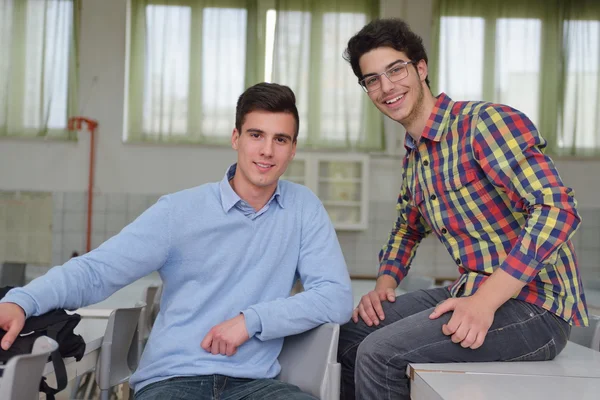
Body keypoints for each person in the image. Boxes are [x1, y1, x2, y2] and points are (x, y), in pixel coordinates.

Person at [0, 82, 354, 400]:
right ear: (236, 138)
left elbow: (335, 297)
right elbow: (97, 270)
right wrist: (22, 300)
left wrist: (251, 320)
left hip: (257, 384)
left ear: (292, 149)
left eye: (280, 139)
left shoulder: (303, 207)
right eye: (256, 135)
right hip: (173, 381)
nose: (267, 151)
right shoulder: (179, 211)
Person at [338, 18, 588, 400]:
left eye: (396, 69)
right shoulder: (415, 155)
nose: (386, 87)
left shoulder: (483, 124)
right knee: (354, 333)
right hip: (470, 288)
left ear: (421, 68)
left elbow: (558, 210)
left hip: (536, 307)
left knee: (378, 354)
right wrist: (383, 287)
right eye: (372, 79)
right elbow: (407, 228)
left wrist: (485, 302)